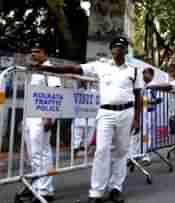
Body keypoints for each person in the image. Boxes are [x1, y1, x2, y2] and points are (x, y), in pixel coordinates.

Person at [31, 36, 142, 203]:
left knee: (121, 151)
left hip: (127, 113)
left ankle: (116, 188)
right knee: (101, 151)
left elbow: (139, 95)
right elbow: (75, 69)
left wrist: (137, 119)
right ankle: (96, 192)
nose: (119, 49)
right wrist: (50, 70)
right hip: (106, 113)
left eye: (122, 47)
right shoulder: (99, 66)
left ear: (126, 51)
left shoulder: (133, 71)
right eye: (116, 47)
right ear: (111, 50)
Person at [24, 39, 62, 203]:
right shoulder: (35, 70)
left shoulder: (49, 69)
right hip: (30, 117)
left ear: (45, 53)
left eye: (37, 51)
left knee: (42, 153)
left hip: (42, 117)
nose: (33, 54)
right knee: (33, 154)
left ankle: (45, 190)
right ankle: (37, 186)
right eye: (32, 51)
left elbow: (54, 92)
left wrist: (49, 117)